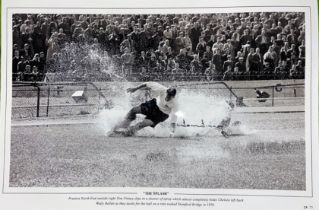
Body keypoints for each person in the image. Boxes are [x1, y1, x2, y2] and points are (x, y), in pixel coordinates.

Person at [110, 82, 179, 136]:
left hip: (161, 114)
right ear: (166, 92)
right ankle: (124, 123)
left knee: (143, 124)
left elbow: (174, 120)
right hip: (154, 105)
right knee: (134, 110)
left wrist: (172, 133)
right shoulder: (162, 89)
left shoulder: (175, 103)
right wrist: (135, 88)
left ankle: (129, 132)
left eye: (170, 97)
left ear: (173, 97)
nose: (167, 97)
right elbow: (147, 84)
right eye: (167, 95)